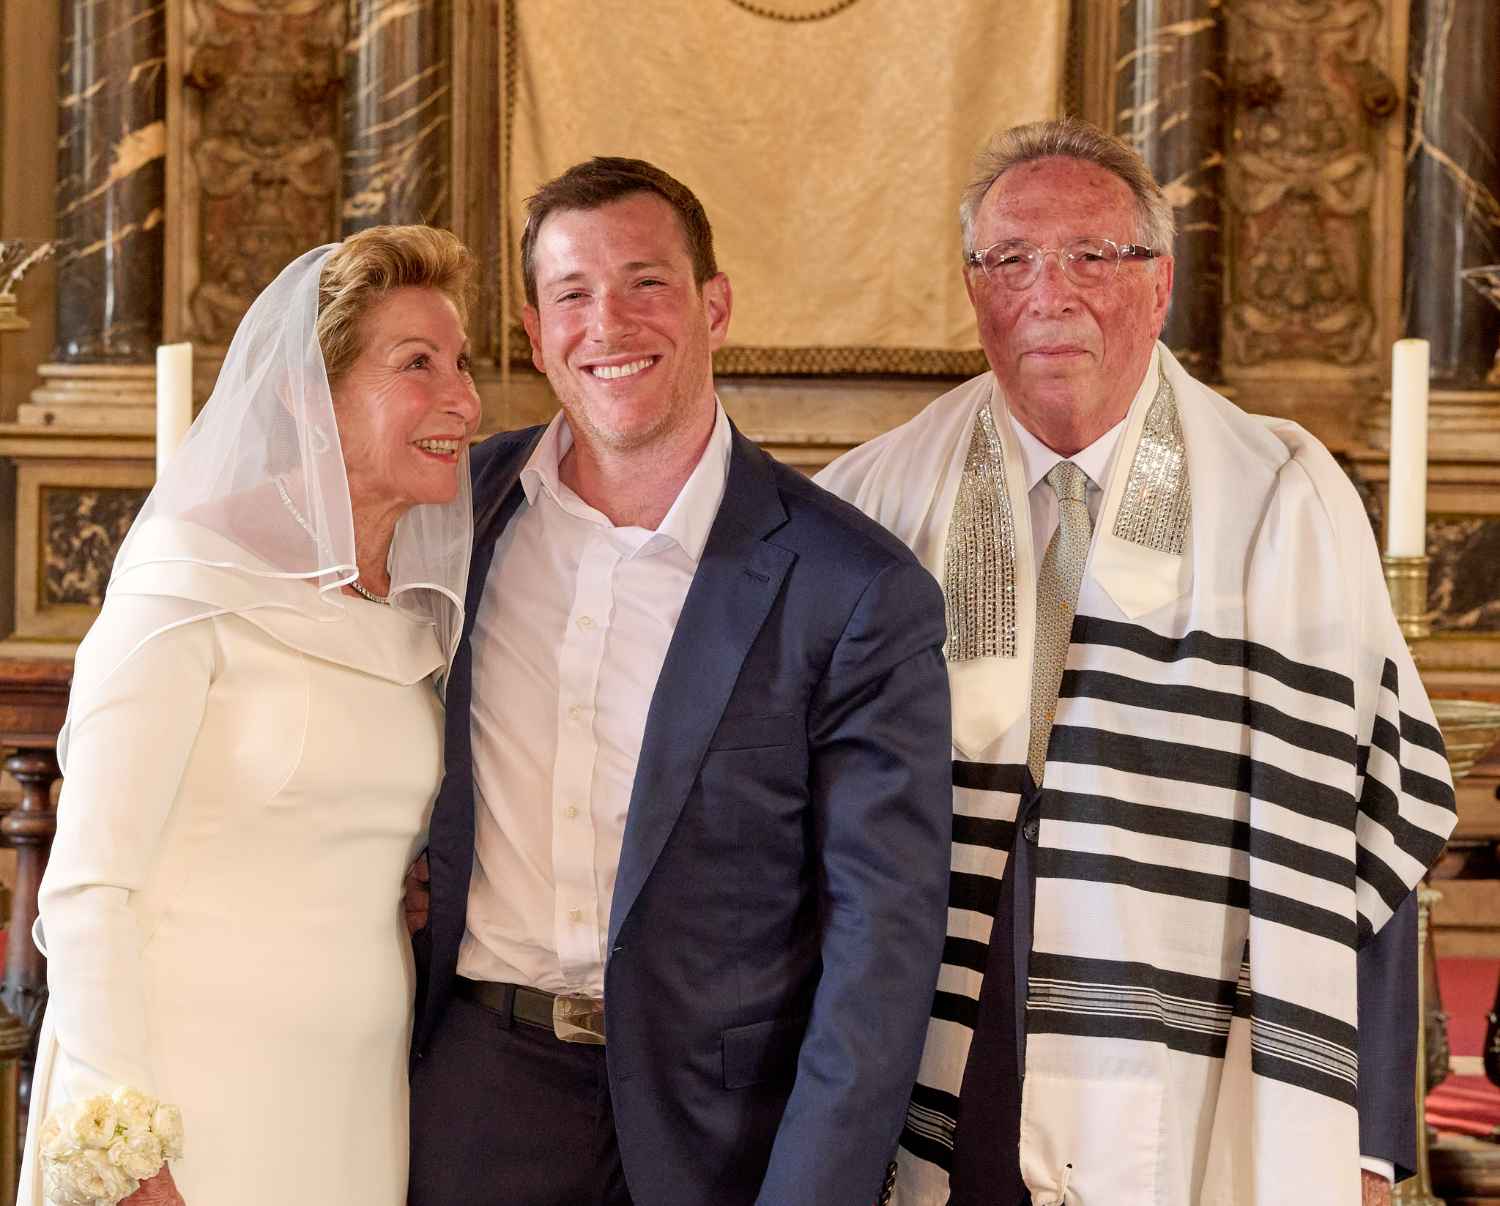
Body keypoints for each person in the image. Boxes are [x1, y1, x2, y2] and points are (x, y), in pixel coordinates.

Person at [816, 118, 1458, 1206]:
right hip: (948, 1023)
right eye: (1010, 259)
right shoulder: (872, 499)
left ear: (1160, 283)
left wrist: (1368, 1144)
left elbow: (1367, 819)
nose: (1049, 293)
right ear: (973, 290)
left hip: (1190, 1029)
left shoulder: (1282, 503)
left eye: (1091, 256)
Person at [404, 156, 953, 1206]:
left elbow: (879, 953)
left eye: (646, 282)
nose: (608, 323)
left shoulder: (853, 587)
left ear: (715, 306)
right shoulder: (448, 518)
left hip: (725, 1131)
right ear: (534, 332)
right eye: (573, 293)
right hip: (478, 1095)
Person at [18, 226, 482, 1206]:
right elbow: (88, 888)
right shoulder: (186, 587)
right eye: (417, 364)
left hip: (351, 1103)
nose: (464, 401)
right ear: (308, 396)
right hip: (188, 1097)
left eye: (463, 364)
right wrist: (125, 1143)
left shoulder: (412, 624)